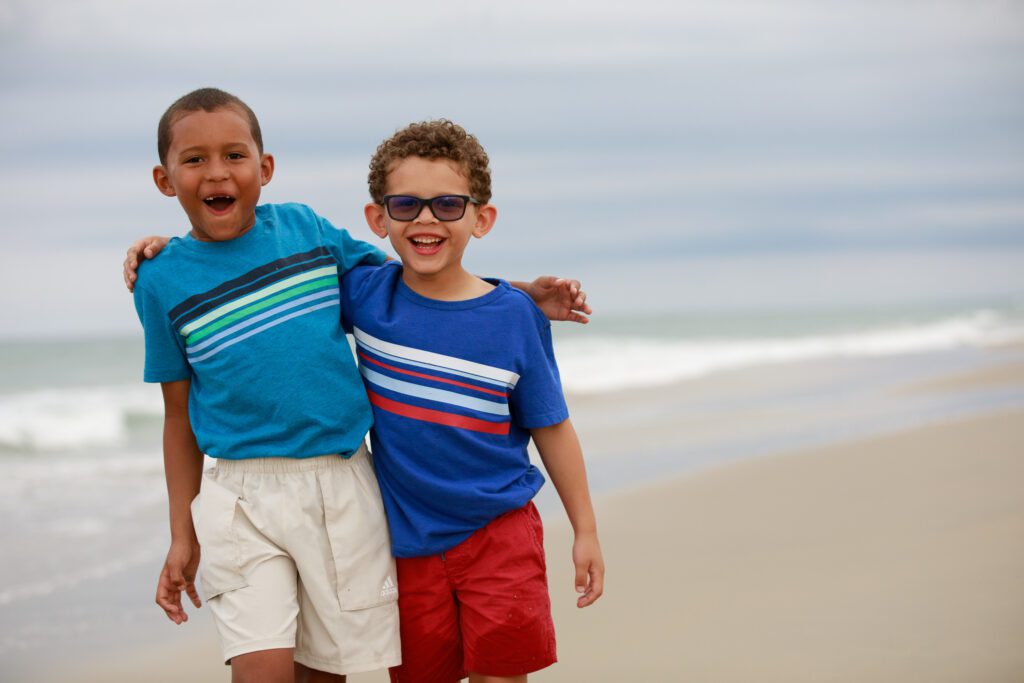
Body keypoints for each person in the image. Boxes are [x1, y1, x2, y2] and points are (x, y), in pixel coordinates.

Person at [127, 88, 591, 683]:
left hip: (347, 485)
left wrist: (519, 293)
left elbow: (433, 286)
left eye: (234, 155)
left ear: (264, 168)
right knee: (262, 664)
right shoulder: (161, 280)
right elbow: (175, 415)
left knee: (328, 672)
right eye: (194, 160)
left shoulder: (307, 235)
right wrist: (180, 532)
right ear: (166, 179)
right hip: (241, 494)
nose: (216, 172)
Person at [343, 119, 605, 683]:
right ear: (378, 218)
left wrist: (585, 528)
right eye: (407, 204)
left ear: (481, 218)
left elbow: (552, 427)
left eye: (447, 205)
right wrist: (172, 251)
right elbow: (275, 269)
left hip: (500, 533)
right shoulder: (365, 296)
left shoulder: (514, 317)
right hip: (407, 541)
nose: (426, 220)